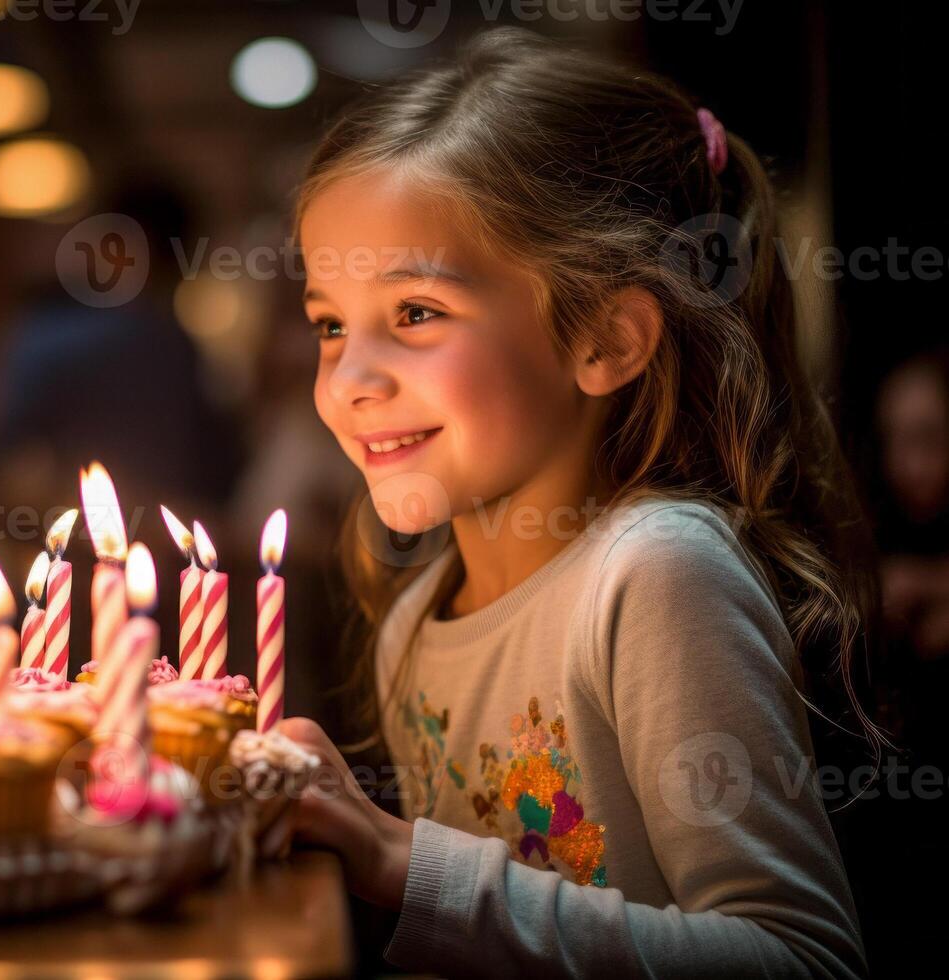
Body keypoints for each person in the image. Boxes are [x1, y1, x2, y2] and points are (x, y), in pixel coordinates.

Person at [274, 29, 872, 976]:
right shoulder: (414, 618)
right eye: (328, 325)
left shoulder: (654, 574)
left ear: (604, 339)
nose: (349, 380)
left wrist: (397, 860)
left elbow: (800, 957)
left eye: (415, 314)